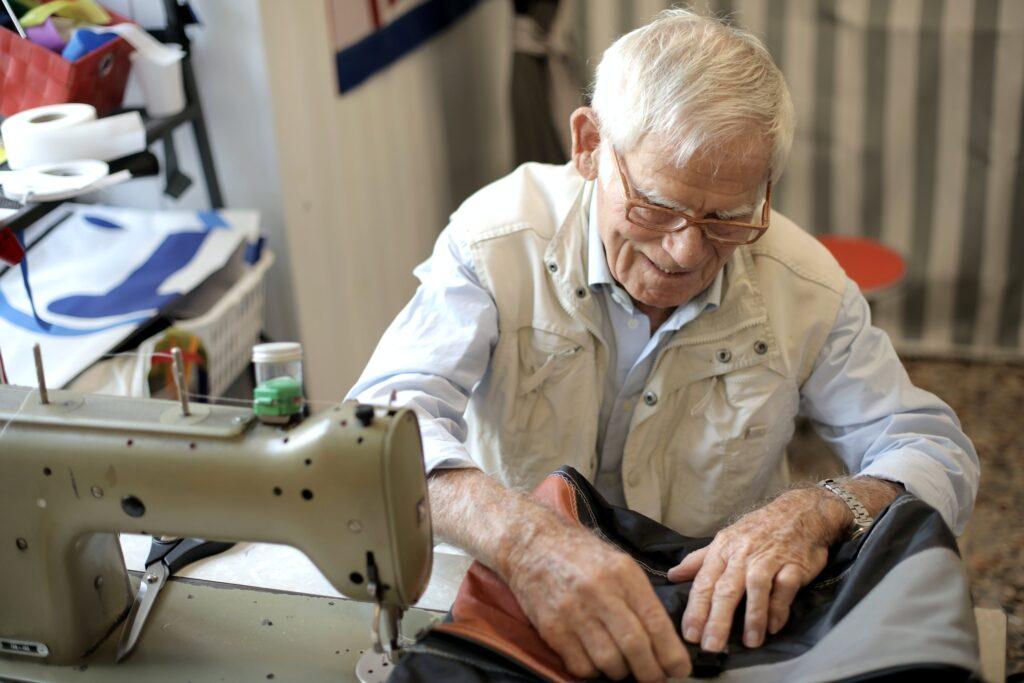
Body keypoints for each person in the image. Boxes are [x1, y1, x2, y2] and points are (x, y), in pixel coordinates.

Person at [348, 9, 979, 682]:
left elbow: (933, 448)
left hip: (714, 627)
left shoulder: (806, 286)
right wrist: (523, 535)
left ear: (764, 185)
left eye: (727, 217)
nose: (683, 251)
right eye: (654, 208)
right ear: (589, 145)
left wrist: (819, 509)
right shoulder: (497, 242)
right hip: (520, 599)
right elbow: (377, 430)